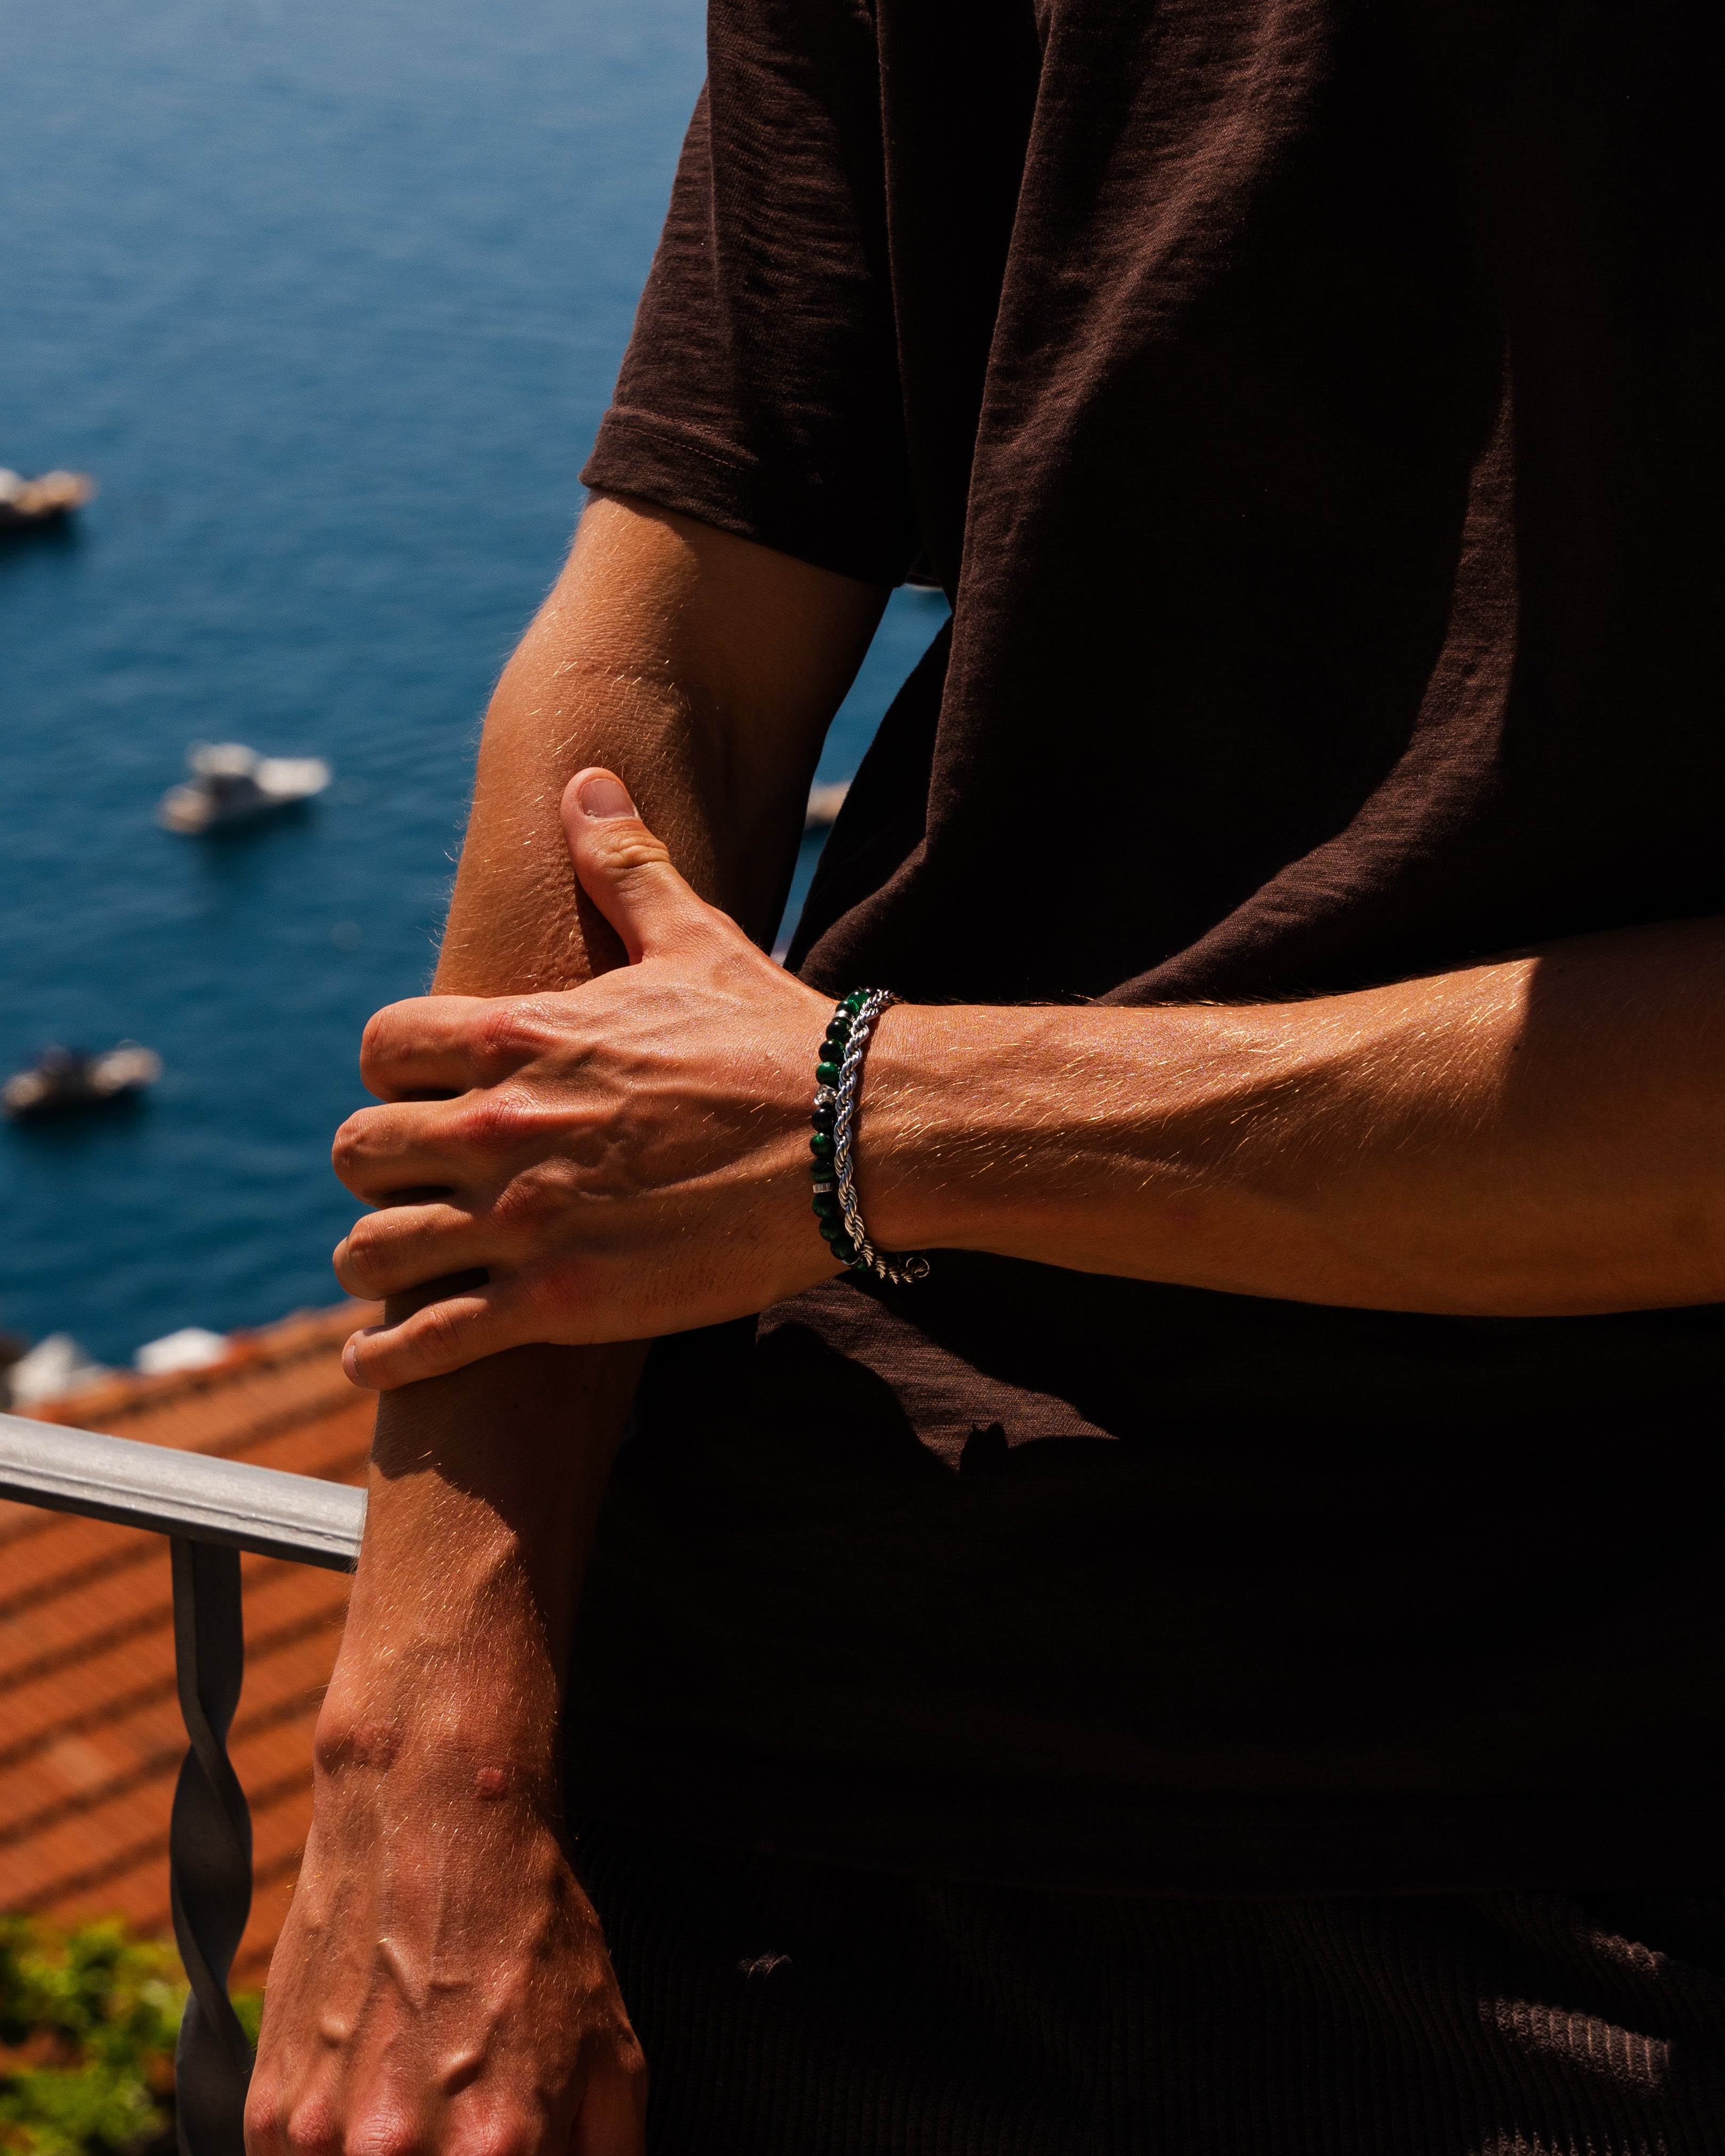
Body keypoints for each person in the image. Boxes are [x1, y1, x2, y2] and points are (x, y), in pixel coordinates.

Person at [245, 0, 1725, 2149]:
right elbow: (663, 674)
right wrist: (426, 1750)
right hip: (782, 1760)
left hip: (1582, 1826)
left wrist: (871, 1119)